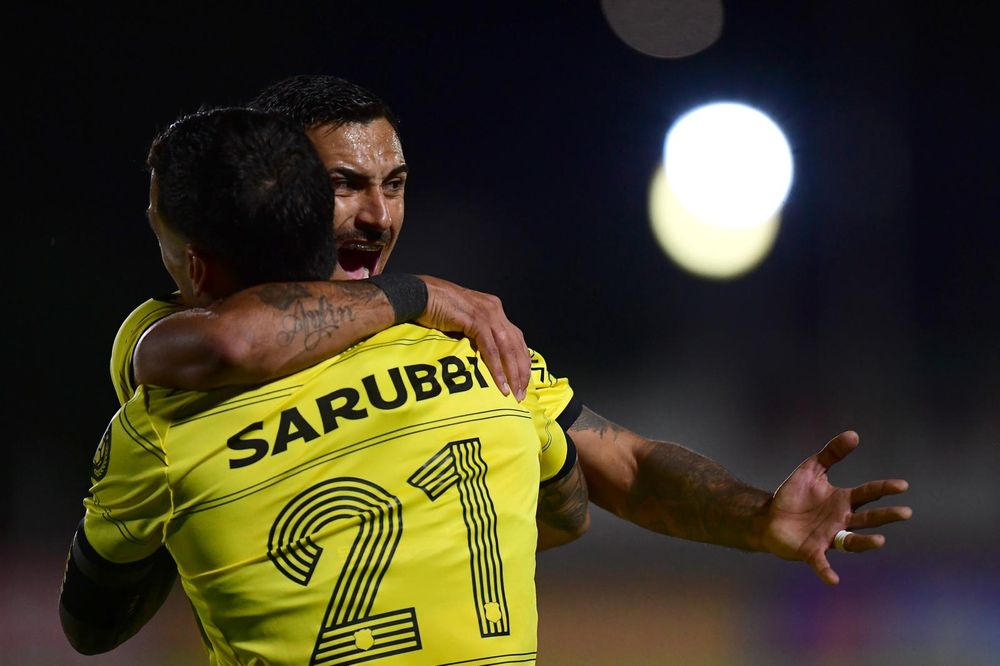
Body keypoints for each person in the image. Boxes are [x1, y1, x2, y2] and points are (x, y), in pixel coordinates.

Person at [113, 75, 911, 588]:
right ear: (275, 190)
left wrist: (753, 516)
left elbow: (619, 465)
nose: (379, 215)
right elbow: (228, 343)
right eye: (345, 185)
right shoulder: (193, 335)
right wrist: (420, 292)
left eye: (394, 186)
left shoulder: (463, 339)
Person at [60, 107, 589, 663]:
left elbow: (91, 628)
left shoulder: (161, 420)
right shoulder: (480, 351)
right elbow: (570, 512)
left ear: (196, 268)